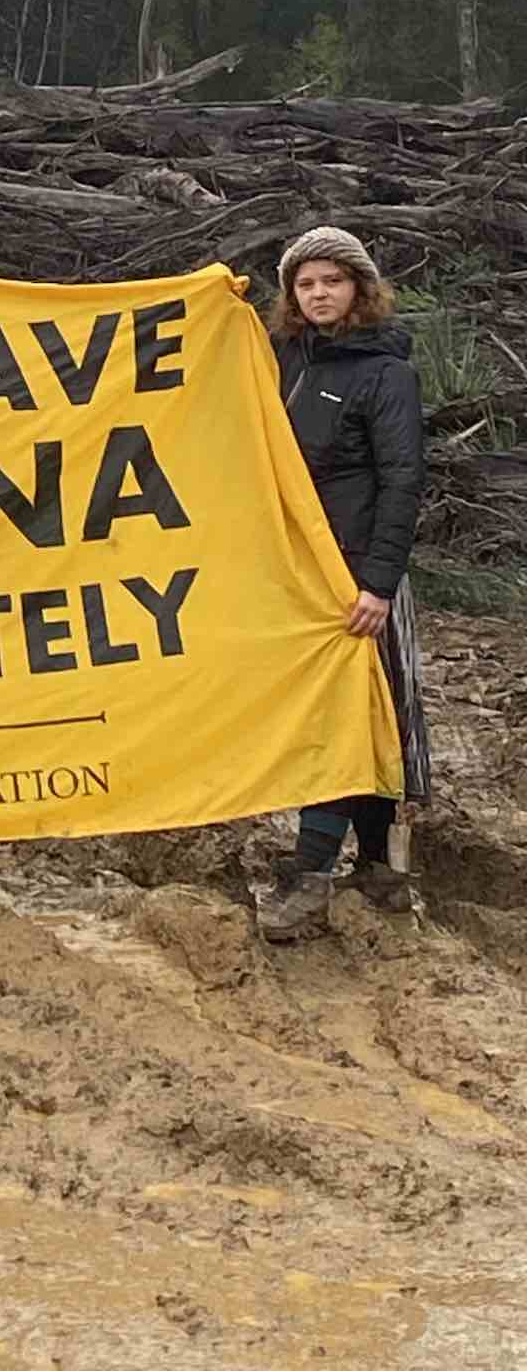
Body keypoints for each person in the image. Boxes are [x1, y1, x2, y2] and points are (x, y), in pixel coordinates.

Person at [257, 225, 432, 945]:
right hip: (300, 573)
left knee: (340, 720)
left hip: (359, 579)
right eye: (306, 283)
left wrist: (380, 581)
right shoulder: (283, 357)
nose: (320, 293)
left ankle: (309, 876)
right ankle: (381, 872)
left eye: (332, 280)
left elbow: (403, 479)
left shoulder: (382, 372)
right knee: (362, 718)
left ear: (360, 288)